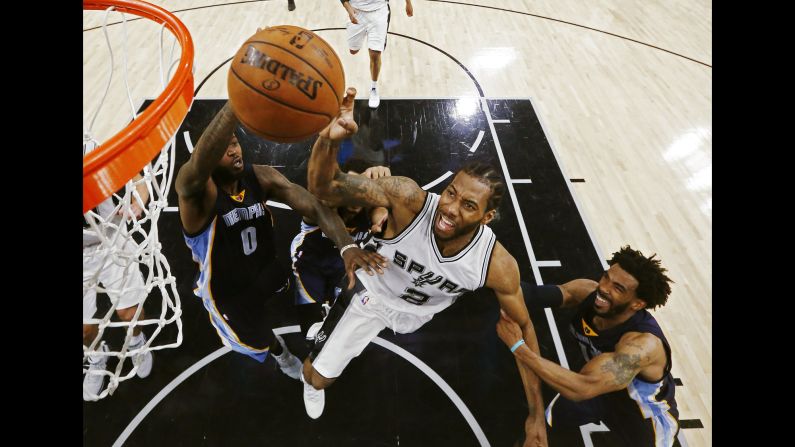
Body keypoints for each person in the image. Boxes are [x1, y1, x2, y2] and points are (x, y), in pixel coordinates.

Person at [301, 87, 547, 445]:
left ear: (488, 217)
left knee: (514, 306)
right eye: (451, 193)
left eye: (468, 205)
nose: (450, 208)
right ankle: (318, 364)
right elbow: (324, 187)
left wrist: (536, 415)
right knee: (316, 376)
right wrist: (328, 139)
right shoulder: (407, 199)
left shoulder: (496, 264)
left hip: (417, 313)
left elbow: (523, 328)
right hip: (371, 297)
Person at [174, 101, 387, 379]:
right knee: (260, 337)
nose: (233, 150)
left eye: (235, 142)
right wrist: (238, 102)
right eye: (222, 148)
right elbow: (197, 167)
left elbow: (316, 207)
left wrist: (346, 245)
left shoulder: (261, 177)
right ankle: (281, 353)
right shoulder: (198, 196)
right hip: (229, 294)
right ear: (207, 156)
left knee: (284, 295)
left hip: (266, 268)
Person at [497, 246, 679, 447]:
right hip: (599, 392)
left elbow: (582, 387)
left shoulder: (642, 346)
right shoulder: (587, 292)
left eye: (618, 288)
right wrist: (487, 278)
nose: (603, 287)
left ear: (637, 304)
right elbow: (529, 294)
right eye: (606, 277)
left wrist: (519, 348)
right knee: (537, 434)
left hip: (641, 419)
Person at [83, 141, 154, 401]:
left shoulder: (89, 145)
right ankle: (96, 357)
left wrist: (139, 199)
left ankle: (136, 341)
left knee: (129, 312)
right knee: (84, 330)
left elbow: (134, 174)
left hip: (111, 238)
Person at [290, 158, 390, 344]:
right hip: (310, 264)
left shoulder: (372, 210)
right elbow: (320, 194)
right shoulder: (322, 207)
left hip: (342, 265)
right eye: (351, 186)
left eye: (363, 187)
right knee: (312, 334)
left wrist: (387, 183)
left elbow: (382, 213)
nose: (357, 192)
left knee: (345, 326)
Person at [340, 0, 413, 108]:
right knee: (353, 50)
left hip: (379, 11)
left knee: (375, 54)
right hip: (356, 10)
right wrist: (348, 8)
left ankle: (374, 88)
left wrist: (408, 3)